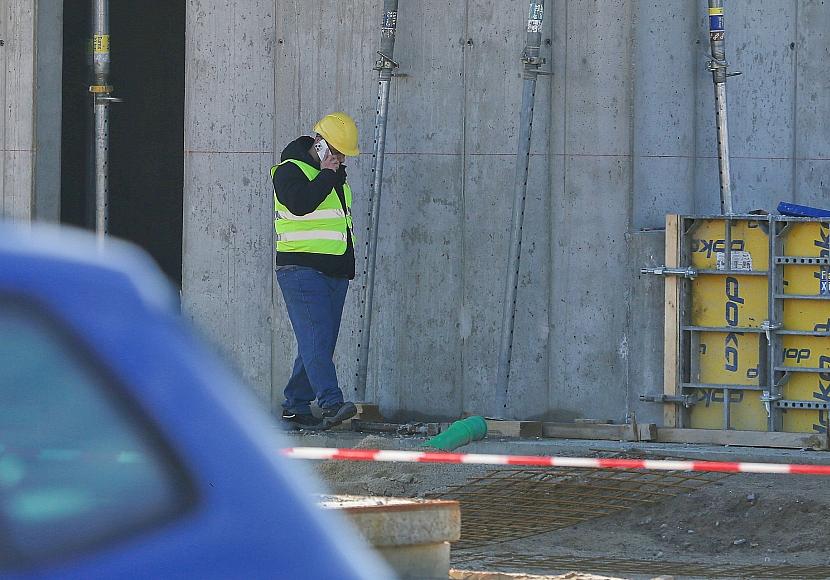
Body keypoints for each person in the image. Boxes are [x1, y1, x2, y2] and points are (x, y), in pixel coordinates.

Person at [271, 112, 360, 430]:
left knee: (318, 342)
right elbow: (299, 203)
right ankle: (331, 402)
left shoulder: (334, 177)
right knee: (316, 340)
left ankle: (295, 405)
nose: (337, 157)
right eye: (333, 150)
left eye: (342, 153)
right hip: (300, 269)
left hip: (334, 270)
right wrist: (326, 175)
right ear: (319, 142)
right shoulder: (289, 171)